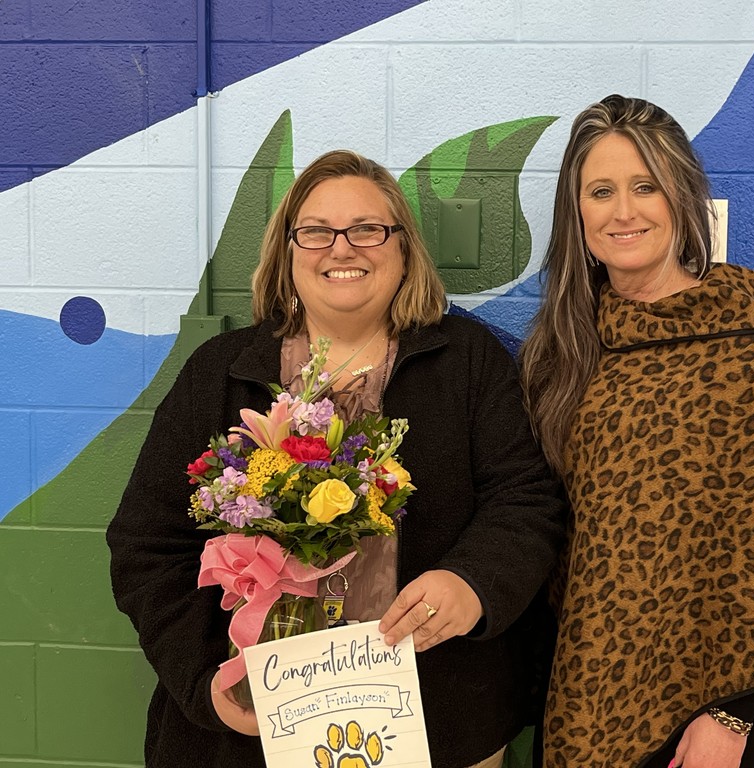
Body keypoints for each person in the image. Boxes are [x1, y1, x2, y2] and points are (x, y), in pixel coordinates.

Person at [107, 149, 564, 768]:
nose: (342, 248)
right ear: (287, 252)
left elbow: (527, 500)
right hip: (254, 730)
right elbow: (147, 544)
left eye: (367, 229)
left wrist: (473, 583)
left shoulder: (468, 361)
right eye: (316, 231)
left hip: (438, 723)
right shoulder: (220, 375)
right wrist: (206, 684)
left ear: (403, 250)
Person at [519, 95, 754, 768]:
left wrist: (733, 717)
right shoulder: (563, 353)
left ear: (681, 200)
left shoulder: (741, 352)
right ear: (576, 212)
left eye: (646, 187)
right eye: (601, 191)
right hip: (586, 690)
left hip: (710, 710)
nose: (623, 211)